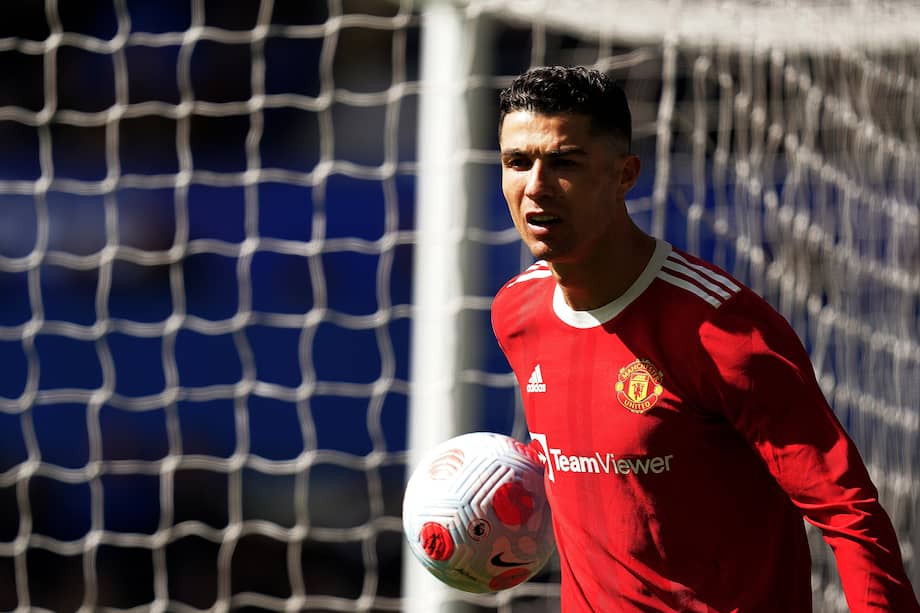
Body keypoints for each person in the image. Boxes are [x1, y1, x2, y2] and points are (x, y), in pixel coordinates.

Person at [490, 65, 920, 612]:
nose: (536, 187)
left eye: (565, 162)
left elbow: (847, 509)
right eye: (516, 162)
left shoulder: (725, 329)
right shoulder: (516, 312)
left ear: (625, 175)